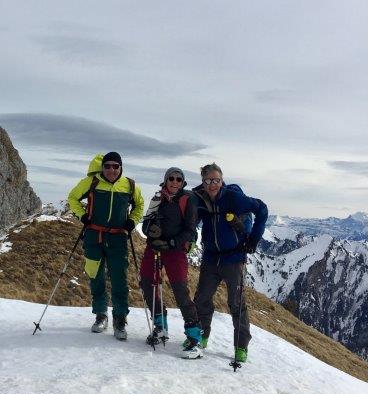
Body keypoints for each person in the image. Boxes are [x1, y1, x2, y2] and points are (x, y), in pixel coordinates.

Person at [192, 163, 268, 363]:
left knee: (236, 304)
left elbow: (262, 209)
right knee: (202, 299)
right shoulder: (200, 199)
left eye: (216, 180)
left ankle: (241, 347)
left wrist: (254, 238)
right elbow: (191, 220)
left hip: (234, 258)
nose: (212, 184)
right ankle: (201, 337)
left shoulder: (233, 198)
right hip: (210, 257)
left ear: (222, 180)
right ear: (203, 182)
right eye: (208, 180)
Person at [68, 152, 144, 340]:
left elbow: (139, 205)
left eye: (115, 166)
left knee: (119, 279)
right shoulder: (91, 182)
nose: (111, 169)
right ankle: (101, 314)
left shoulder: (130, 185)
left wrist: (132, 220)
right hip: (94, 236)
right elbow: (73, 198)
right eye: (107, 166)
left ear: (121, 168)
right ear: (102, 167)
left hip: (118, 238)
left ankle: (120, 318)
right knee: (96, 276)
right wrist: (82, 216)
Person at [140, 167, 203, 358]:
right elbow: (146, 224)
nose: (174, 182)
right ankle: (160, 326)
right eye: (171, 178)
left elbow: (190, 230)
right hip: (155, 248)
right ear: (165, 180)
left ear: (183, 182)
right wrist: (151, 233)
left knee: (180, 290)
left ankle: (194, 337)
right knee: (147, 283)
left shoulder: (187, 200)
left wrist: (172, 243)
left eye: (178, 179)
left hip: (175, 251)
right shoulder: (157, 198)